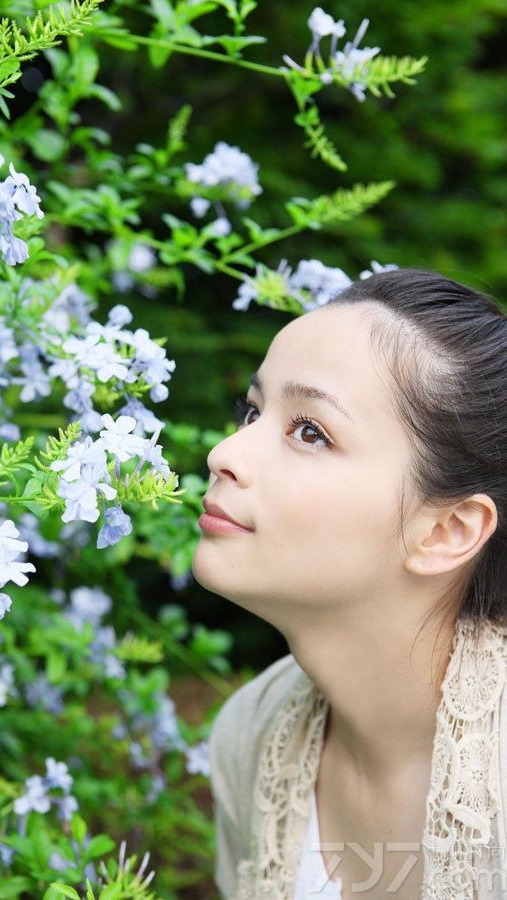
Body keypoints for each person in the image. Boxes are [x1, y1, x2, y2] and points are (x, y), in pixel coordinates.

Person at [191, 268, 507, 900]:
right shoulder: (249, 739)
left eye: (311, 431)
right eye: (252, 411)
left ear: (447, 530)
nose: (225, 452)